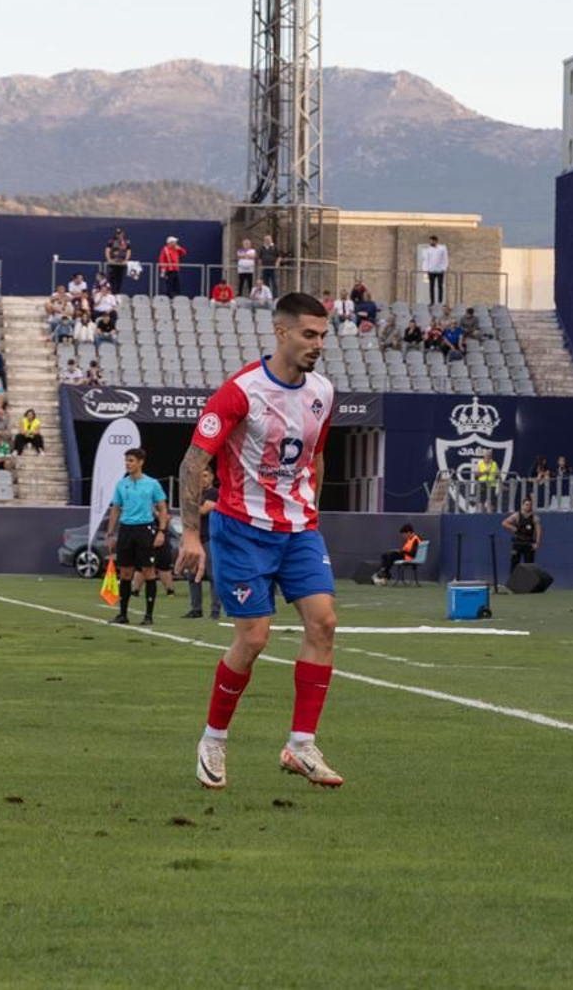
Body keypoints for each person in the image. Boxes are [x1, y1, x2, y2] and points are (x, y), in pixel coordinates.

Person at [175, 292, 341, 791]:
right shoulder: (239, 392)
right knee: (253, 638)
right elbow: (192, 462)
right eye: (308, 335)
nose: (317, 345)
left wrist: (313, 507)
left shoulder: (324, 392)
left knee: (324, 623)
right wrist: (189, 533)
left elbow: (316, 456)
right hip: (242, 530)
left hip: (299, 529)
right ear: (281, 332)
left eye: (323, 336)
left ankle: (301, 745)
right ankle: (213, 739)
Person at [106, 448, 170, 626]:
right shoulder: (121, 484)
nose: (128, 464)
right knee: (125, 572)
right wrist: (110, 533)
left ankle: (148, 615)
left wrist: (161, 531)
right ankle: (123, 614)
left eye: (131, 461)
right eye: (126, 461)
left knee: (148, 570)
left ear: (141, 462)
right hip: (126, 529)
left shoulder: (152, 484)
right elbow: (116, 508)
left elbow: (162, 507)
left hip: (145, 529)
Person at [183, 464, 221, 620]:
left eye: (205, 476)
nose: (202, 479)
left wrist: (191, 509)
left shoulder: (214, 493)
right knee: (193, 576)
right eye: (199, 476)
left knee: (213, 575)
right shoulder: (195, 495)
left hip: (210, 537)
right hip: (196, 539)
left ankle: (215, 610)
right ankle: (196, 608)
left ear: (211, 477)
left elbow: (201, 511)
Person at [503, 498, 540, 567]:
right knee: (514, 563)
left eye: (529, 505)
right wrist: (513, 528)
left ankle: (528, 578)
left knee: (529, 565)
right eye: (526, 505)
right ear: (522, 505)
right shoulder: (517, 515)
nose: (528, 506)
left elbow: (538, 531)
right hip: (518, 542)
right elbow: (505, 523)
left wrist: (537, 543)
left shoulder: (534, 517)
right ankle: (514, 577)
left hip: (528, 542)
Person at [420, 234, 449, 304]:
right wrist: (425, 270)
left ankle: (440, 302)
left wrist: (444, 268)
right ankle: (432, 302)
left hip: (440, 270)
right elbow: (425, 260)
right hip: (431, 270)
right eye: (430, 241)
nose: (430, 243)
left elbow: (445, 258)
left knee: (440, 286)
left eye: (432, 241)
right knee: (431, 287)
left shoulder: (442, 248)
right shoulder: (427, 250)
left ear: (435, 241)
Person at [105, 228, 132, 294]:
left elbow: (128, 251)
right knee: (111, 279)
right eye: (117, 233)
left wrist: (126, 260)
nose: (118, 235)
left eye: (120, 233)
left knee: (119, 279)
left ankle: (117, 293)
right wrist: (109, 259)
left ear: (123, 233)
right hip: (113, 262)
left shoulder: (126, 241)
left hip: (121, 263)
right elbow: (107, 250)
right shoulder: (112, 240)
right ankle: (111, 293)